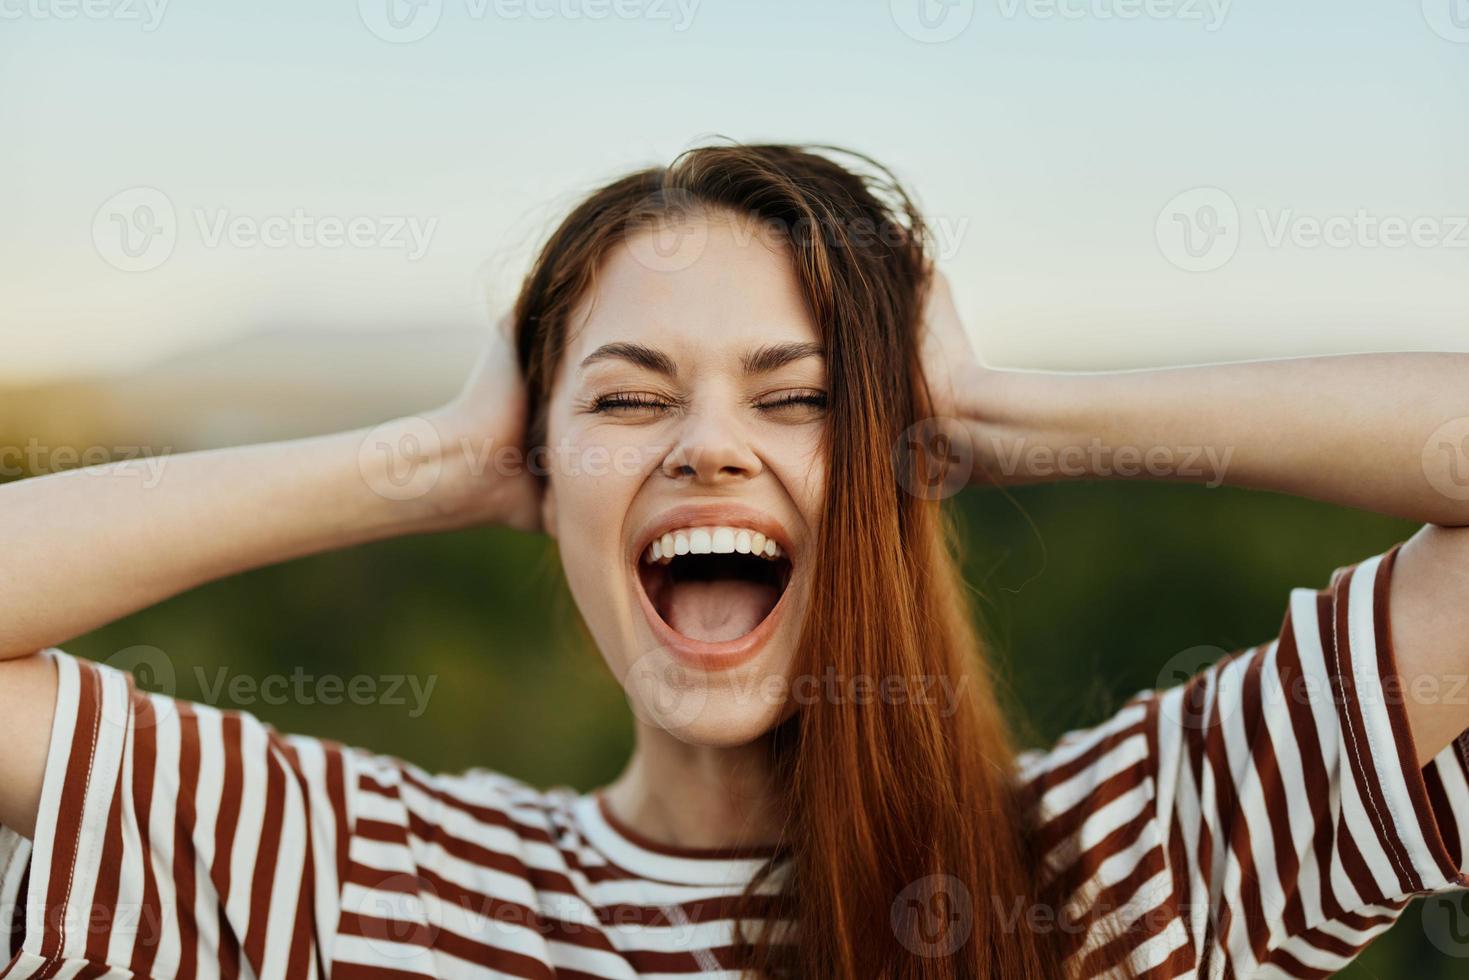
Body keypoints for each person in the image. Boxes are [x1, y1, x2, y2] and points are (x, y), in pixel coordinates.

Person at [0, 143, 1466, 979]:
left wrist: (1006, 415)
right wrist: (427, 464)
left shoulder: (1122, 864)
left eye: (804, 396)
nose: (705, 447)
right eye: (628, 399)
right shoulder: (346, 875)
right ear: (537, 471)